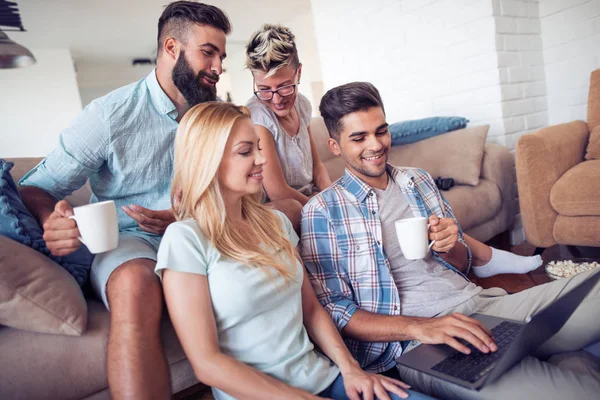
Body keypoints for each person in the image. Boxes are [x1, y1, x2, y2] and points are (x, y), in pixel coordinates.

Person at [300, 81, 600, 400]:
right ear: (335, 146)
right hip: (422, 344)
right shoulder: (323, 211)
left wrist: (452, 243)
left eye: (381, 131)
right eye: (359, 138)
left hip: (485, 304)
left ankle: (562, 357)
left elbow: (462, 263)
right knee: (576, 393)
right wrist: (419, 328)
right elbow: (337, 311)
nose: (375, 145)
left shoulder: (418, 180)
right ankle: (568, 361)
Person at [18, 2, 231, 398]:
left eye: (221, 55)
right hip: (131, 240)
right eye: (208, 52)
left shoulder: (216, 116)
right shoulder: (109, 116)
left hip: (204, 231)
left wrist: (188, 216)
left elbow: (234, 191)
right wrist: (51, 218)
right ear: (171, 47)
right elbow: (35, 187)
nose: (218, 66)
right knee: (134, 286)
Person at [156, 101, 435, 400]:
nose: (263, 159)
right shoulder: (185, 240)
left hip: (324, 378)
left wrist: (350, 368)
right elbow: (207, 364)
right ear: (207, 159)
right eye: (246, 151)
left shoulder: (275, 223)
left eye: (260, 148)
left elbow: (312, 311)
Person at [245, 24, 541, 277]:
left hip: (311, 192)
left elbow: (317, 167)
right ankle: (486, 259)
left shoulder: (302, 105)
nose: (276, 98)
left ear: (298, 73)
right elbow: (278, 189)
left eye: (284, 86)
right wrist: (332, 203)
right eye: (264, 89)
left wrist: (334, 193)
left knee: (400, 198)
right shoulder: (259, 116)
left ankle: (485, 257)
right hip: (286, 202)